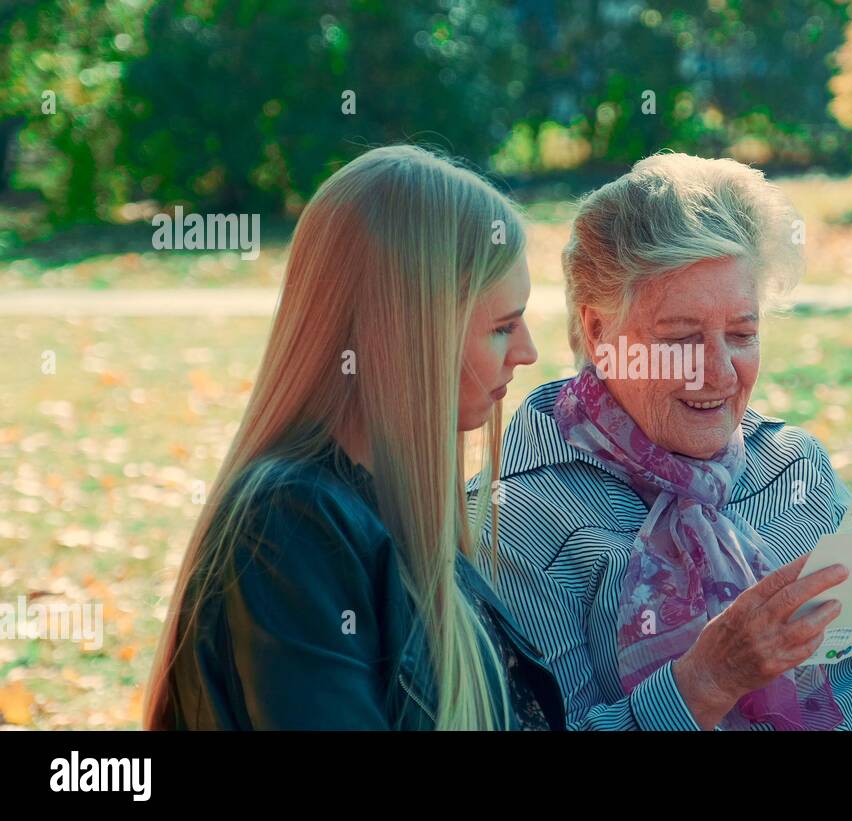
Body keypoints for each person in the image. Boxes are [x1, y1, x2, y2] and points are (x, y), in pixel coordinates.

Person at [479, 152, 852, 730]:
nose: (722, 373)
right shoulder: (516, 524)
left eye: (742, 334)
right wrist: (708, 681)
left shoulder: (794, 467)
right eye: (681, 337)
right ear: (600, 332)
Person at [145, 145, 563, 730]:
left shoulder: (399, 505)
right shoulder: (292, 522)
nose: (527, 352)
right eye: (501, 327)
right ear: (410, 334)